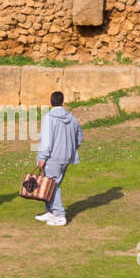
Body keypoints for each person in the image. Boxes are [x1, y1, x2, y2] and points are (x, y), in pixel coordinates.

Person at [35, 91, 83, 227]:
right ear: (63, 102)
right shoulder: (72, 118)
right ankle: (50, 211)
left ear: (50, 103)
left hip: (52, 158)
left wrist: (42, 157)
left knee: (53, 185)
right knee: (52, 184)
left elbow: (46, 141)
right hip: (66, 157)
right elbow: (79, 137)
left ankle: (60, 215)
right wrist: (70, 149)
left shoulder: (48, 118)